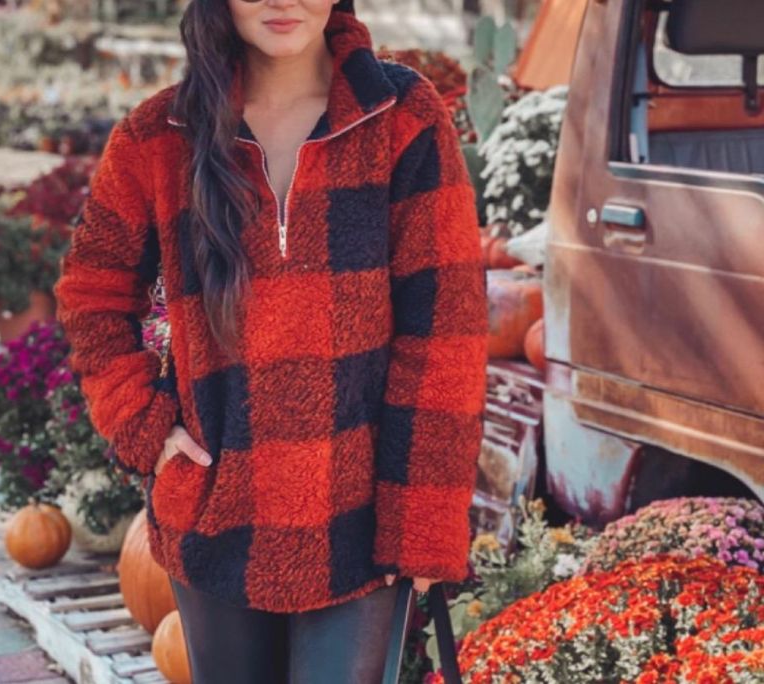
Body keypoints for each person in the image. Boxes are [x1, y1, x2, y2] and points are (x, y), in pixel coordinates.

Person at [53, 0, 488, 681]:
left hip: (360, 525)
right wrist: (143, 425)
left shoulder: (401, 117)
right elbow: (91, 292)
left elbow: (445, 332)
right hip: (214, 514)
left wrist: (423, 521)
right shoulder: (160, 135)